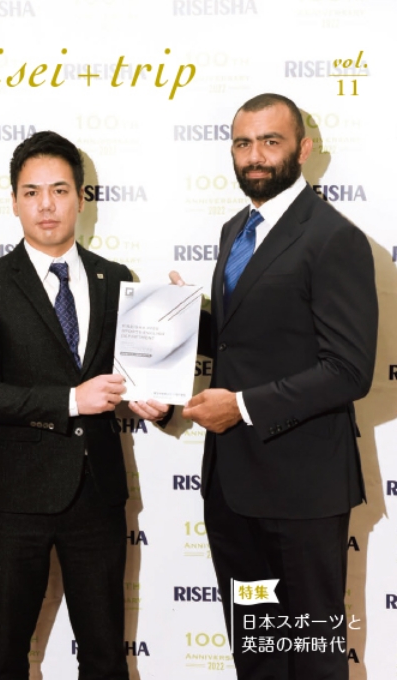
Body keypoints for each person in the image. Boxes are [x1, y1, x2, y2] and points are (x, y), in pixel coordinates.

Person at [172, 93, 378, 679]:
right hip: (233, 488)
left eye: (270, 141)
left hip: (302, 493)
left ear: (303, 149)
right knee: (258, 655)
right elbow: (243, 340)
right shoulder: (235, 229)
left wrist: (240, 406)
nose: (255, 156)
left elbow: (349, 369)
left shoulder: (333, 237)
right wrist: (180, 322)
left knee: (310, 659)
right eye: (243, 143)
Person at [0, 130, 168, 680]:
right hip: (14, 501)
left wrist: (157, 399)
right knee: (4, 655)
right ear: (14, 201)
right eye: (31, 192)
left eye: (59, 190)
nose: (46, 205)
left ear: (80, 198)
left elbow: (132, 379)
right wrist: (71, 400)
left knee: (105, 656)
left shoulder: (115, 279)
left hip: (98, 496)